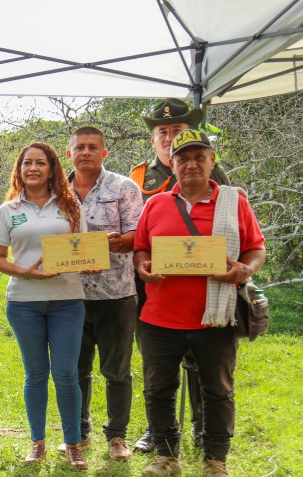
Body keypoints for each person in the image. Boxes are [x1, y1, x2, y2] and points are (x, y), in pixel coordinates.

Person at [134, 129, 265, 477]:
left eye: (198, 157)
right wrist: (143, 266)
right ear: (172, 164)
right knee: (158, 388)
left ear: (211, 161)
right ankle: (165, 456)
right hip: (160, 317)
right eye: (182, 158)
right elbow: (142, 248)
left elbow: (256, 247)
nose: (190, 164)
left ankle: (215, 462)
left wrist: (246, 269)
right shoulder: (156, 204)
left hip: (216, 318)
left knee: (218, 390)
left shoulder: (234, 201)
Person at [130, 98, 230, 453]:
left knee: (205, 360)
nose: (170, 137)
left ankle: (204, 424)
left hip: (206, 282)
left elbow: (230, 224)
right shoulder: (139, 178)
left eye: (177, 131)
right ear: (154, 139)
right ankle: (156, 429)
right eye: (163, 132)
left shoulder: (212, 171)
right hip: (154, 284)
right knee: (157, 361)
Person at [0, 142, 89, 470]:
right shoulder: (7, 210)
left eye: (40, 163)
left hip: (67, 300)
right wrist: (26, 271)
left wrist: (89, 261)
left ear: (52, 168)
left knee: (65, 374)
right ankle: (37, 443)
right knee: (35, 374)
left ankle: (73, 444)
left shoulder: (71, 205)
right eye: (27, 163)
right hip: (24, 302)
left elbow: (82, 249)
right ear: (19, 169)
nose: (33, 168)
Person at [64, 126, 143, 461]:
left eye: (93, 147)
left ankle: (117, 437)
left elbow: (138, 235)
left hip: (116, 294)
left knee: (116, 371)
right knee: (76, 370)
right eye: (79, 147)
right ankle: (79, 434)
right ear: (69, 153)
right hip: (70, 294)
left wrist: (114, 244)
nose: (85, 152)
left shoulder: (124, 187)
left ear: (104, 153)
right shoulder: (58, 191)